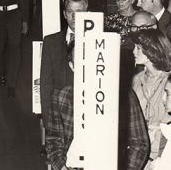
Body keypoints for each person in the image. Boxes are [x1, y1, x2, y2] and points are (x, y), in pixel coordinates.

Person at [46, 76, 150, 170]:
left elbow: (139, 144)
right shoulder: (61, 96)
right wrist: (61, 167)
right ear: (72, 66)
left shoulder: (123, 95)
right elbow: (53, 140)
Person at [40, 0, 88, 127]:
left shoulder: (96, 41)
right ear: (64, 14)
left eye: (79, 12)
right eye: (69, 11)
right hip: (59, 114)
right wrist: (47, 120)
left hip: (87, 113)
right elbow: (46, 84)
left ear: (87, 13)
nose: (74, 16)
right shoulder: (51, 42)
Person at [131, 29, 171, 169]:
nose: (134, 52)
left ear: (151, 50)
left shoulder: (169, 80)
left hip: (164, 154)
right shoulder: (135, 80)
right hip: (139, 152)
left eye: (139, 48)